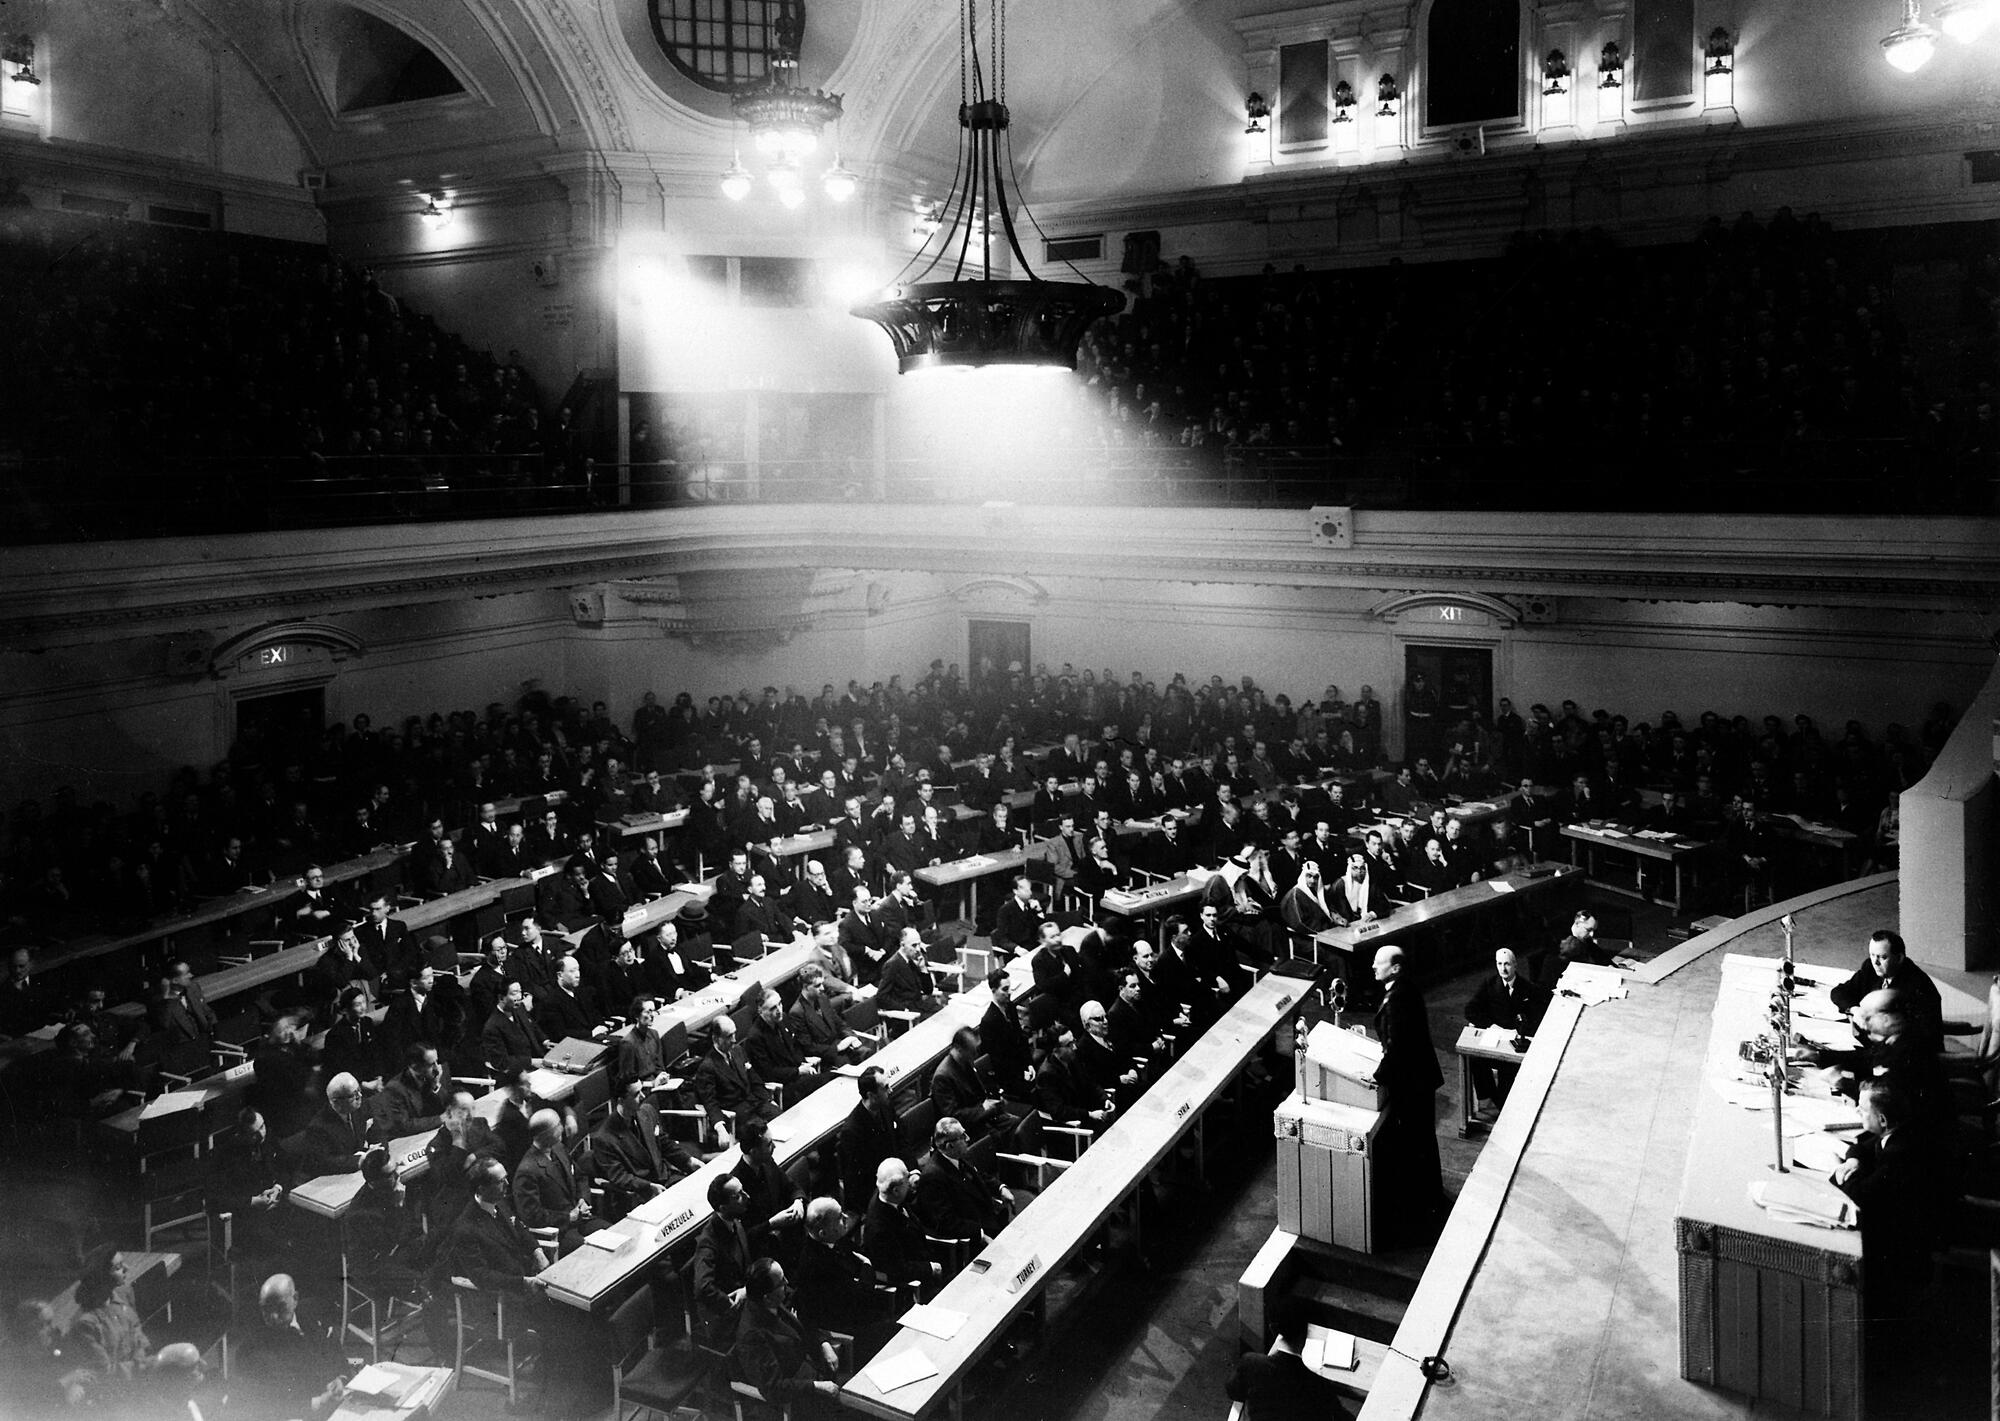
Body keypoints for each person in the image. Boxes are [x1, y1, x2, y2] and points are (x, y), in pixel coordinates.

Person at [1372, 945, 1447, 1243]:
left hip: (1411, 1082)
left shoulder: (1399, 997)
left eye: (1380, 962)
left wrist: (1377, 1076)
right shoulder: (1404, 988)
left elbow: (1399, 1043)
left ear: (1396, 968)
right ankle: (1429, 1199)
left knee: (1416, 1141)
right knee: (1422, 1140)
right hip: (1419, 1078)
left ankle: (1422, 1209)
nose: (1373, 966)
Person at [730, 1257, 844, 1418]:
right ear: (766, 1297)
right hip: (800, 1395)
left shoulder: (777, 1298)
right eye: (781, 1282)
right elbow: (774, 1388)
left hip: (816, 1369)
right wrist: (816, 1386)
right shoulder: (752, 1336)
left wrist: (823, 1342)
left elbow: (807, 1320)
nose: (787, 1282)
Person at [792, 1197, 898, 1363]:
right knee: (897, 1335)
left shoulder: (835, 1240)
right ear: (823, 1232)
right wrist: (867, 1266)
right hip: (844, 1329)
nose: (847, 1219)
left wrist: (864, 1269)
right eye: (840, 1218)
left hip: (857, 1310)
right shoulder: (814, 1264)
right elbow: (861, 1293)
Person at [232, 1273, 350, 1420]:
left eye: (280, 1307)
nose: (273, 1316)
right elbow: (266, 1406)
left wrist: (339, 1379)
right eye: (266, 1309)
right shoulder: (250, 1351)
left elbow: (338, 1358)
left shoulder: (313, 1316)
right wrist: (319, 1402)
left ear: (295, 1299)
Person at [592, 1079, 700, 1220]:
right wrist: (648, 1186)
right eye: (636, 1094)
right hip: (641, 1194)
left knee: (699, 1200)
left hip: (666, 1177)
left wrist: (689, 1160)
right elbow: (620, 1177)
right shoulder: (604, 1138)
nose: (643, 1096)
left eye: (642, 1090)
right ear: (621, 1100)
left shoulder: (647, 1111)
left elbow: (665, 1144)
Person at [1462, 948, 1550, 1116]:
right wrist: (1490, 1025)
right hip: (1495, 1036)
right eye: (1499, 964)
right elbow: (1470, 1010)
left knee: (1507, 1068)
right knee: (1475, 1059)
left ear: (1515, 965)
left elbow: (1538, 1015)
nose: (1503, 969)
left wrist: (1521, 1031)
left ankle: (1504, 1105)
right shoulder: (1489, 984)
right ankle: (1491, 1095)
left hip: (1514, 1040)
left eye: (1507, 964)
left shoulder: (1527, 987)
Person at [63, 1248, 150, 1402]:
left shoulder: (123, 1295)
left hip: (139, 1376)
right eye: (117, 1268)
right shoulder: (86, 1323)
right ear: (100, 1277)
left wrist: (141, 1359)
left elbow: (137, 1332)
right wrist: (142, 1367)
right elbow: (104, 1371)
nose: (127, 1268)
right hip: (113, 1394)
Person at [913, 1116, 1015, 1242]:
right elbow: (947, 1221)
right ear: (950, 1145)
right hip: (977, 1235)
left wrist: (1001, 1188)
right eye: (962, 1136)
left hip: (992, 1217)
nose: (968, 1138)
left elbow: (979, 1176)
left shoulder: (959, 1155)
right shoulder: (933, 1178)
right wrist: (980, 1235)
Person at [1828, 929, 1942, 1038]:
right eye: (1872, 955)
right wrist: (1855, 1010)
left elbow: (1908, 1037)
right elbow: (1839, 991)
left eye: (1882, 957)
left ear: (1899, 958)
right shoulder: (1871, 967)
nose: (1875, 962)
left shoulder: (1916, 986)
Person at [513, 1108, 597, 1254]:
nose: (562, 1128)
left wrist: (583, 1199)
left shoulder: (558, 1148)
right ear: (546, 1134)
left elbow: (580, 1177)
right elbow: (532, 1216)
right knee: (591, 1252)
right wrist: (568, 1217)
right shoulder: (527, 1171)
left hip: (582, 1220)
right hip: (560, 1232)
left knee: (612, 1232)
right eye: (558, 1125)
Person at [693, 1014, 778, 1144]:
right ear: (716, 1038)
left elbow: (754, 1079)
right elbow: (710, 1102)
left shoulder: (738, 1050)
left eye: (734, 1034)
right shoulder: (708, 1066)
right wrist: (720, 1129)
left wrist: (768, 1099)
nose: (734, 1040)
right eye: (728, 1036)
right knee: (765, 1138)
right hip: (739, 1116)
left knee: (782, 1118)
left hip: (756, 1103)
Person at [861, 1158, 941, 1297]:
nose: (909, 1182)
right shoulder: (879, 1229)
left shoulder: (887, 1193)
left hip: (925, 1255)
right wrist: (930, 1268)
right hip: (915, 1287)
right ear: (896, 1190)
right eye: (906, 1179)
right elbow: (898, 1269)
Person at [693, 1174, 755, 1348]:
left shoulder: (735, 1222)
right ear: (723, 1207)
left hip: (745, 1294)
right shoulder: (708, 1241)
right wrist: (731, 1304)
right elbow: (703, 1287)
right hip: (727, 1315)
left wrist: (747, 1290)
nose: (747, 1197)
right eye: (738, 1196)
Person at [837, 1066, 902, 1207]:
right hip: (878, 1196)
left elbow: (902, 1142)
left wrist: (913, 1171)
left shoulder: (886, 1107)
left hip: (898, 1178)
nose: (891, 1091)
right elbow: (856, 1181)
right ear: (872, 1095)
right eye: (885, 1088)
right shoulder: (852, 1131)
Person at [293, 1072, 376, 1177]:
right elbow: (325, 1163)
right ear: (336, 1102)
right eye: (353, 1094)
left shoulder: (361, 1106)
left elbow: (377, 1130)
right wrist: (361, 1160)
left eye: (359, 1090)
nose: (360, 1096)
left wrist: (378, 1151)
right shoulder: (318, 1127)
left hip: (361, 1171)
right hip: (338, 1178)